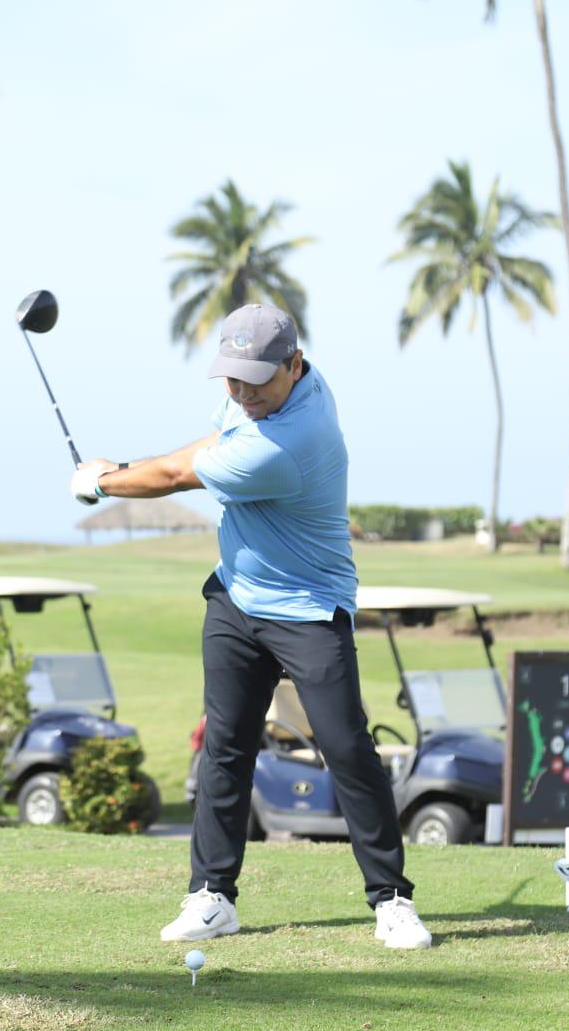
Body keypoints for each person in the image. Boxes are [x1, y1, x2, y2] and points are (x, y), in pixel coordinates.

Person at [67, 304, 431, 950]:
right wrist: (116, 468)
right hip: (236, 599)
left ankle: (392, 901)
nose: (242, 392)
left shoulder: (288, 442)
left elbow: (178, 475)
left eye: (257, 380)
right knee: (225, 746)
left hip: (309, 608)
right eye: (232, 378)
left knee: (346, 748)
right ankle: (212, 896)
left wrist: (102, 482)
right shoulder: (270, 393)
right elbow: (208, 444)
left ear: (294, 364)